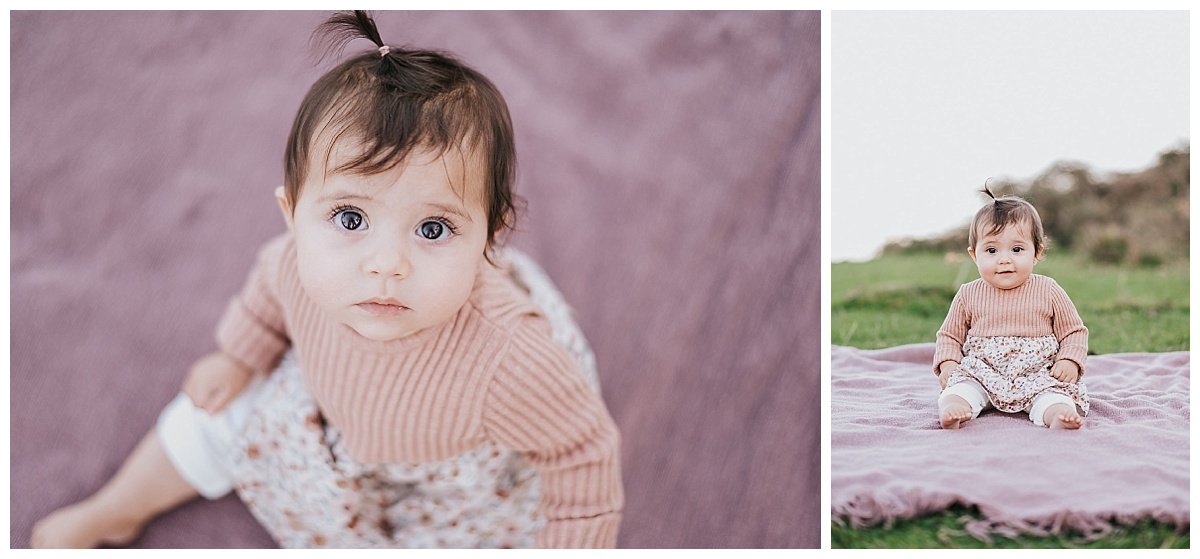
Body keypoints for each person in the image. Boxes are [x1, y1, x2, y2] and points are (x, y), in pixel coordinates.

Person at [32, 11, 622, 548]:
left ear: (491, 239)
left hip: (458, 476)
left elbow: (582, 451)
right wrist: (240, 357)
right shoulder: (294, 263)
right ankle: (113, 509)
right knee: (213, 413)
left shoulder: (514, 363)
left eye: (434, 229)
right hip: (332, 405)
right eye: (350, 218)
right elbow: (267, 296)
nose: (386, 264)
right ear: (292, 216)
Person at [933, 185, 1090, 430]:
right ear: (975, 255)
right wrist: (948, 363)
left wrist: (1069, 360)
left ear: (1036, 252)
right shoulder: (968, 293)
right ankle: (955, 409)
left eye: (1017, 249)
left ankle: (1057, 415)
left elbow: (1073, 332)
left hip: (1036, 374)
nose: (1004, 259)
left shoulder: (1048, 290)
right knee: (961, 388)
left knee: (1053, 395)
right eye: (992, 250)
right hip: (983, 372)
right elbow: (949, 336)